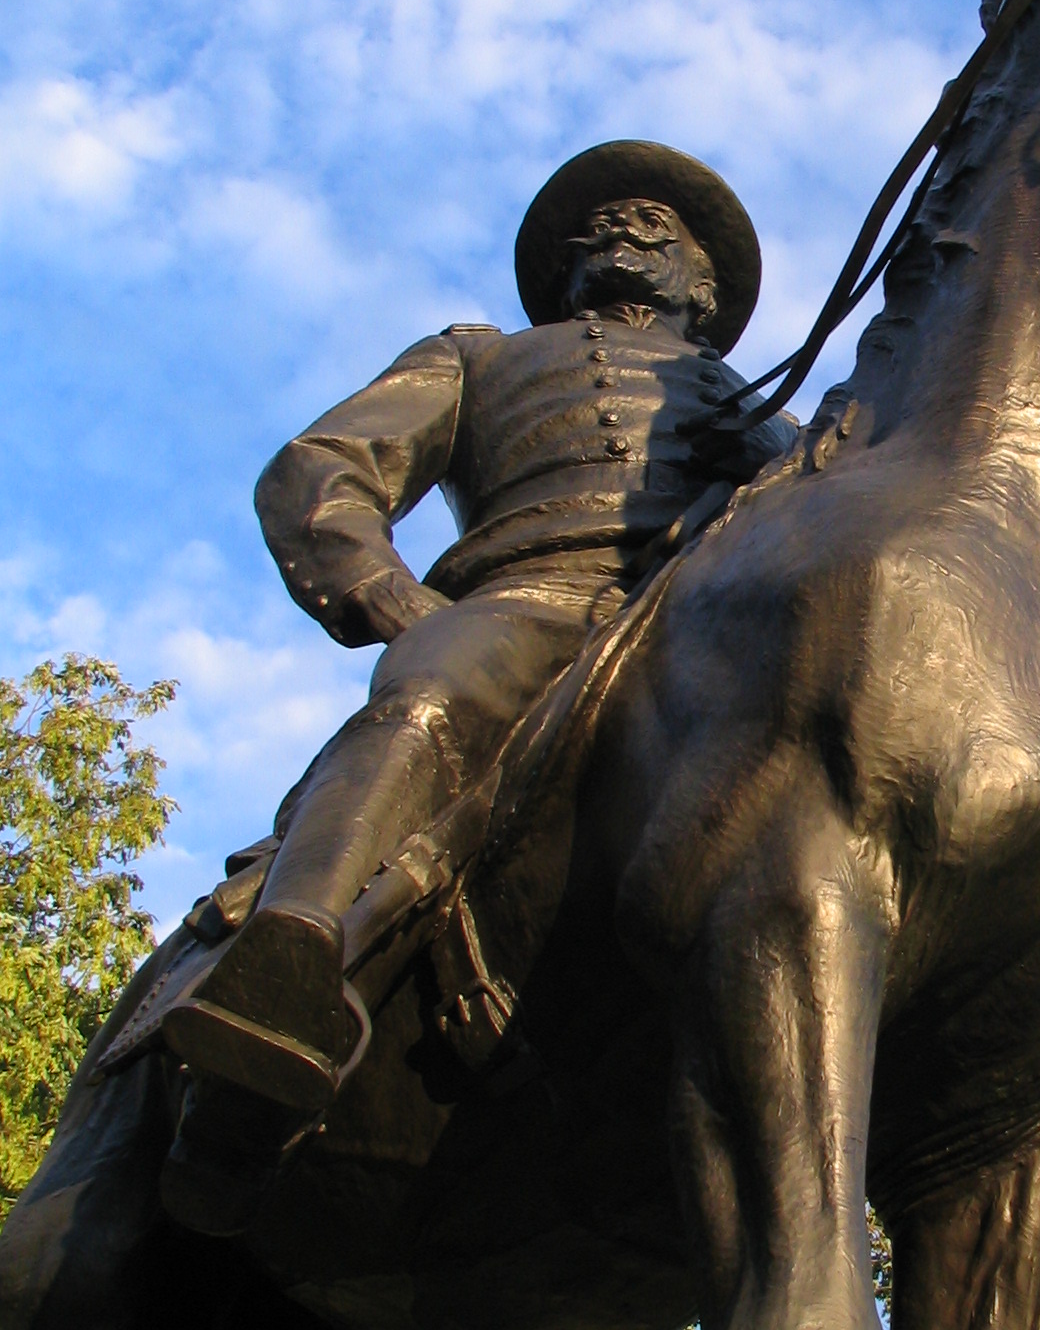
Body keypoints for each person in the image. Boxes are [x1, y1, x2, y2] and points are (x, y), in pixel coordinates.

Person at [160, 140, 796, 1145]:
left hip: (700, 626)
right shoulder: (477, 353)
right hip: (526, 599)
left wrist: (778, 469)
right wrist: (386, 593)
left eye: (656, 226)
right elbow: (321, 464)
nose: (625, 228)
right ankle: (287, 961)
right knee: (429, 699)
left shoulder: (772, 420)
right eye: (605, 223)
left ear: (704, 287)